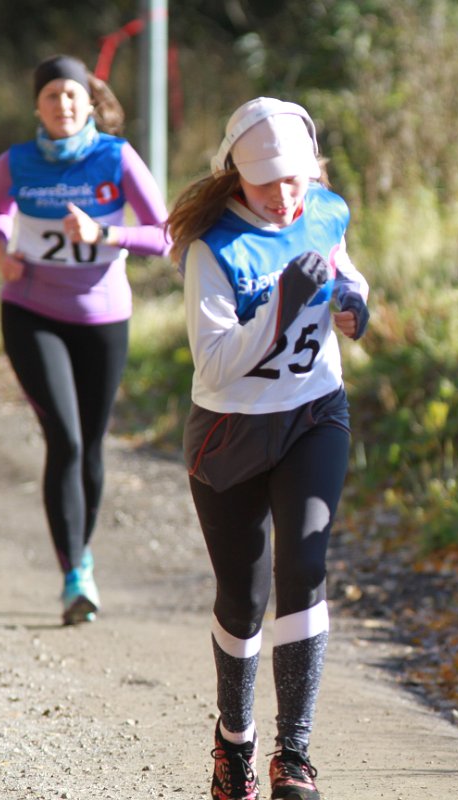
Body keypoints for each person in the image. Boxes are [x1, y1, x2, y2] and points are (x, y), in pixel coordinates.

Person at [168, 97, 369, 800]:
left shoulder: (326, 209)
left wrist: (353, 300)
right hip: (231, 431)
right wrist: (282, 305)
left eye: (295, 179)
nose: (285, 196)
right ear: (237, 177)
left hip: (314, 412)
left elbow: (341, 266)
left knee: (305, 566)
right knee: (243, 598)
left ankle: (296, 754)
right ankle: (235, 740)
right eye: (266, 183)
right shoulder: (214, 249)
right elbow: (216, 363)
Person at [0, 55, 170, 625]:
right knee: (63, 438)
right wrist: (0, 251)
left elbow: (165, 234)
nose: (62, 104)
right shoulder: (15, 162)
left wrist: (105, 232)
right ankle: (74, 577)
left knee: (89, 444)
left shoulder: (116, 157)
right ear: (36, 106)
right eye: (51, 96)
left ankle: (80, 555)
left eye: (71, 95)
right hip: (31, 313)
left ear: (89, 103)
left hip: (103, 319)